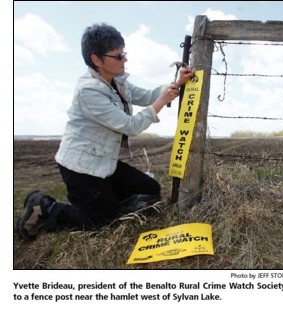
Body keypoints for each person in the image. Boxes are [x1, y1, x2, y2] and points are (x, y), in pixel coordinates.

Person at [17, 23, 193, 241]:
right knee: (102, 221)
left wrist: (176, 83)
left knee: (150, 189)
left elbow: (147, 95)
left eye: (124, 53)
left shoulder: (117, 81)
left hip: (103, 164)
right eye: (118, 56)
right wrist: (161, 102)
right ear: (96, 60)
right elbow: (131, 125)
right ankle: (45, 207)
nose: (124, 59)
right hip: (81, 168)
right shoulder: (89, 90)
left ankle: (99, 199)